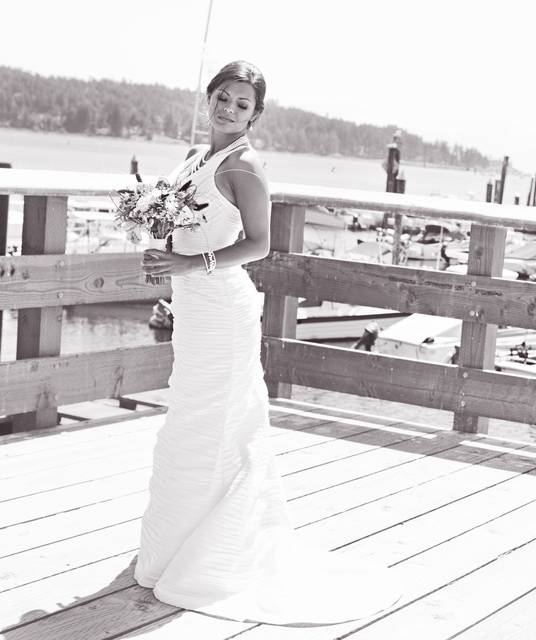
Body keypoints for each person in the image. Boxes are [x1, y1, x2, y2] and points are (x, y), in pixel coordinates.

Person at [134, 61, 400, 626]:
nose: (229, 109)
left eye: (242, 104)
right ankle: (177, 546)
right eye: (223, 98)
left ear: (256, 114)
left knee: (215, 425)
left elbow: (258, 245)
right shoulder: (196, 159)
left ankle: (220, 556)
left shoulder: (246, 165)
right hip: (194, 310)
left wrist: (190, 260)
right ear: (209, 98)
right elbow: (188, 223)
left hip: (224, 310)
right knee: (188, 422)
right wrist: (162, 250)